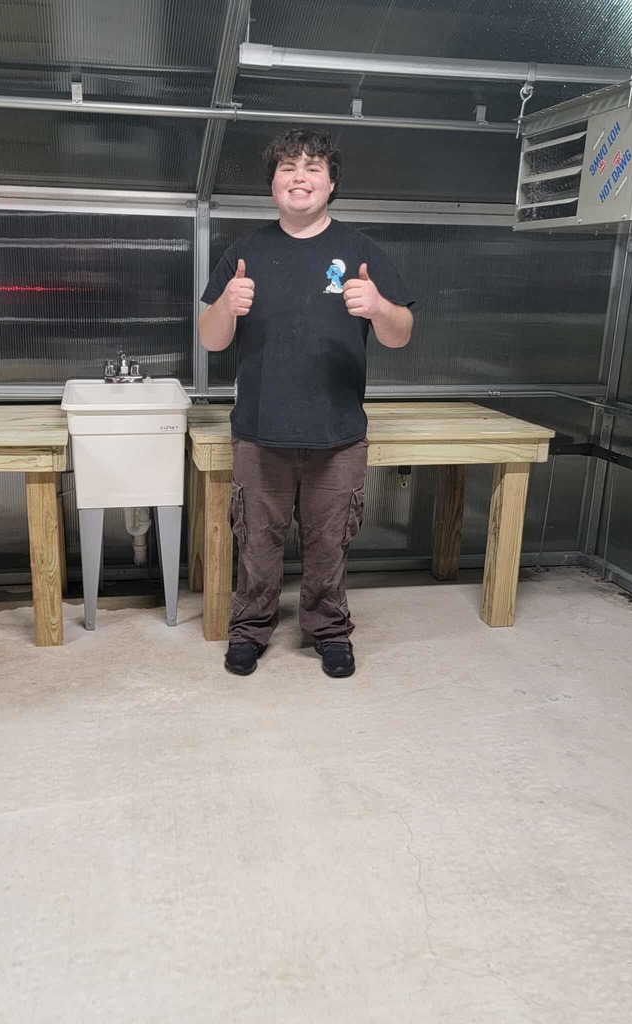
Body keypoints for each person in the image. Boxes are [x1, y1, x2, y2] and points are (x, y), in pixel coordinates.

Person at [198, 127, 414, 679]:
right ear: (272, 184)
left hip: (337, 432)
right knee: (257, 541)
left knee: (328, 542)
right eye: (288, 168)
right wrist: (226, 303)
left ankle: (328, 629)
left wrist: (379, 308)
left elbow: (401, 335)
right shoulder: (243, 254)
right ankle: (249, 628)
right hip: (259, 431)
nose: (300, 177)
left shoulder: (361, 251)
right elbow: (210, 338)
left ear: (331, 182)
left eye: (313, 167)